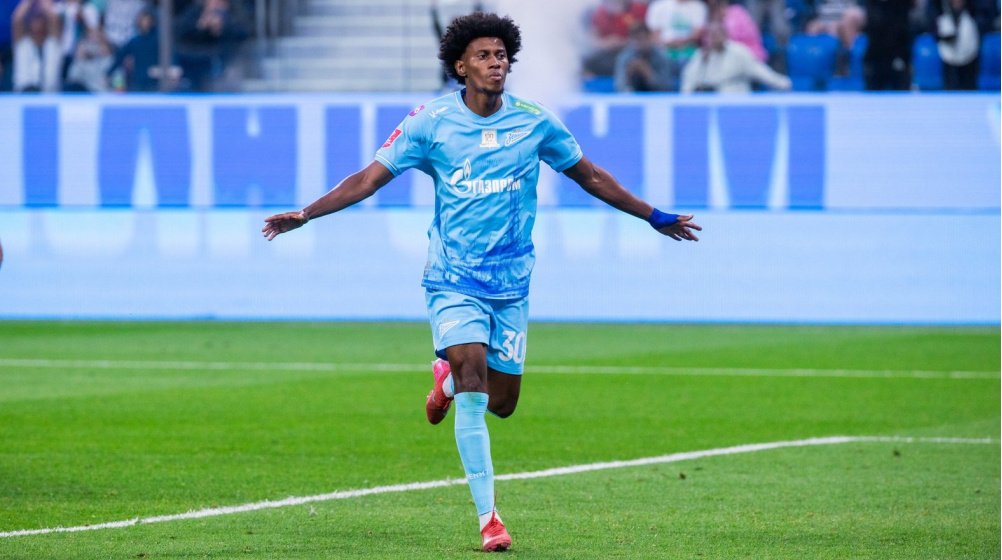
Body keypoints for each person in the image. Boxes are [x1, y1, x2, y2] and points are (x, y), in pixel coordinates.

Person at [261, 12, 701, 553]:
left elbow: (589, 175)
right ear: (460, 66)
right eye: (485, 56)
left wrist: (652, 215)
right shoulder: (429, 122)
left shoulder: (534, 122)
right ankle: (489, 518)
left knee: (503, 401)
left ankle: (444, 381)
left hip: (511, 283)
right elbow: (369, 179)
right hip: (453, 279)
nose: (497, 64)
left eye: (502, 56)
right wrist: (306, 213)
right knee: (475, 385)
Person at [681, 21, 793, 92]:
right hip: (709, 103)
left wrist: (782, 83)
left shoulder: (738, 51)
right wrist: (686, 99)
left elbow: (759, 70)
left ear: (725, 34)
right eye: (711, 35)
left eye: (717, 33)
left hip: (735, 101)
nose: (714, 37)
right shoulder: (701, 55)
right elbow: (689, 78)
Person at [582, 0, 649, 77]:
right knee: (588, 62)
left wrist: (623, 42)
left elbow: (647, 38)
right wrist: (605, 43)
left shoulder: (639, 10)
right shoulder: (599, 13)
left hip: (634, 52)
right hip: (609, 54)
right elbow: (592, 40)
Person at [11, 0, 62, 92]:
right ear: (29, 22)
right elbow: (17, 19)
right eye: (35, 19)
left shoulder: (53, 44)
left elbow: (54, 18)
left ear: (46, 22)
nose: (38, 22)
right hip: (23, 94)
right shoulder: (22, 44)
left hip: (50, 94)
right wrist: (28, 2)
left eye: (41, 18)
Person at [614, 22, 674, 91]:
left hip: (656, 96)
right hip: (632, 95)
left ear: (650, 38)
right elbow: (620, 86)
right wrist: (628, 75)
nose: (641, 43)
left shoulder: (661, 56)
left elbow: (666, 87)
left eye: (644, 39)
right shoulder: (625, 57)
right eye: (637, 39)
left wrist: (648, 73)